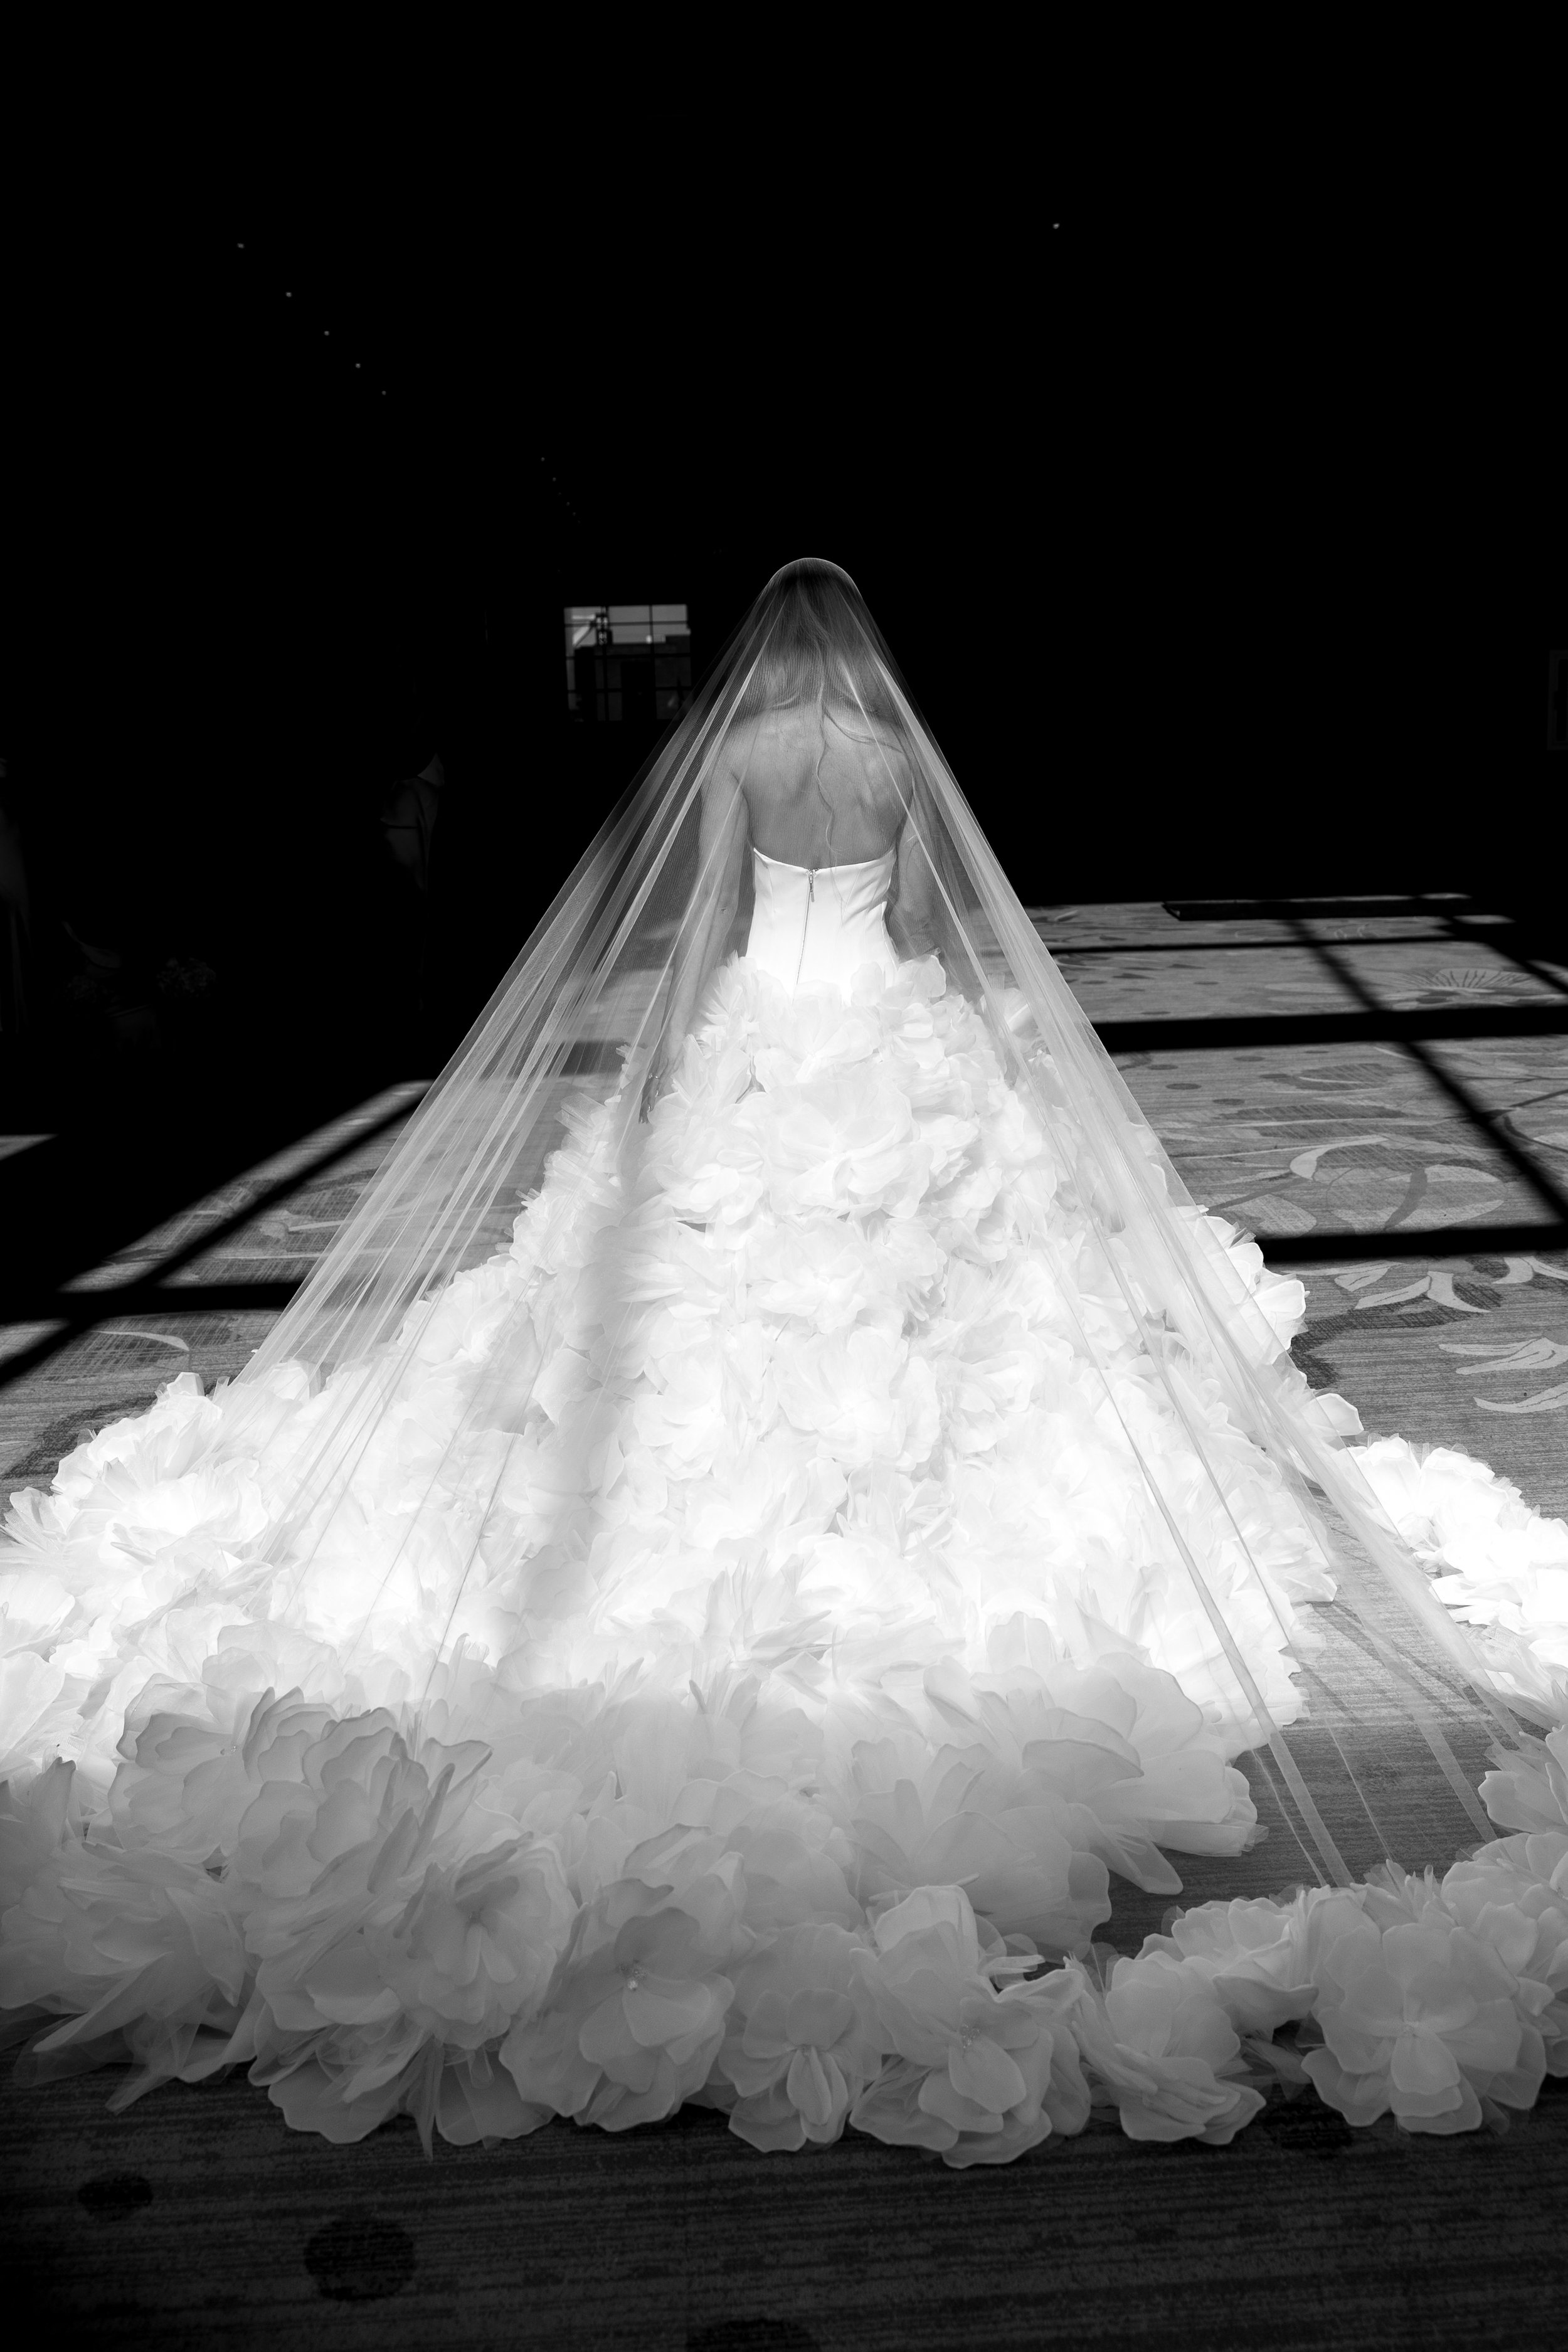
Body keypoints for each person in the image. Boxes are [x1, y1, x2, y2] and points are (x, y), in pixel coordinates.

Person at [1, 563, 1564, 2163]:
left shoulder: (744, 749)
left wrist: (665, 1074)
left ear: (765, 640)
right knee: (934, 1299)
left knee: (698, 1316)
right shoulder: (889, 758)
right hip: (880, 1023)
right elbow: (933, 927)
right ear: (862, 644)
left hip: (764, 1020)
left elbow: (695, 939)